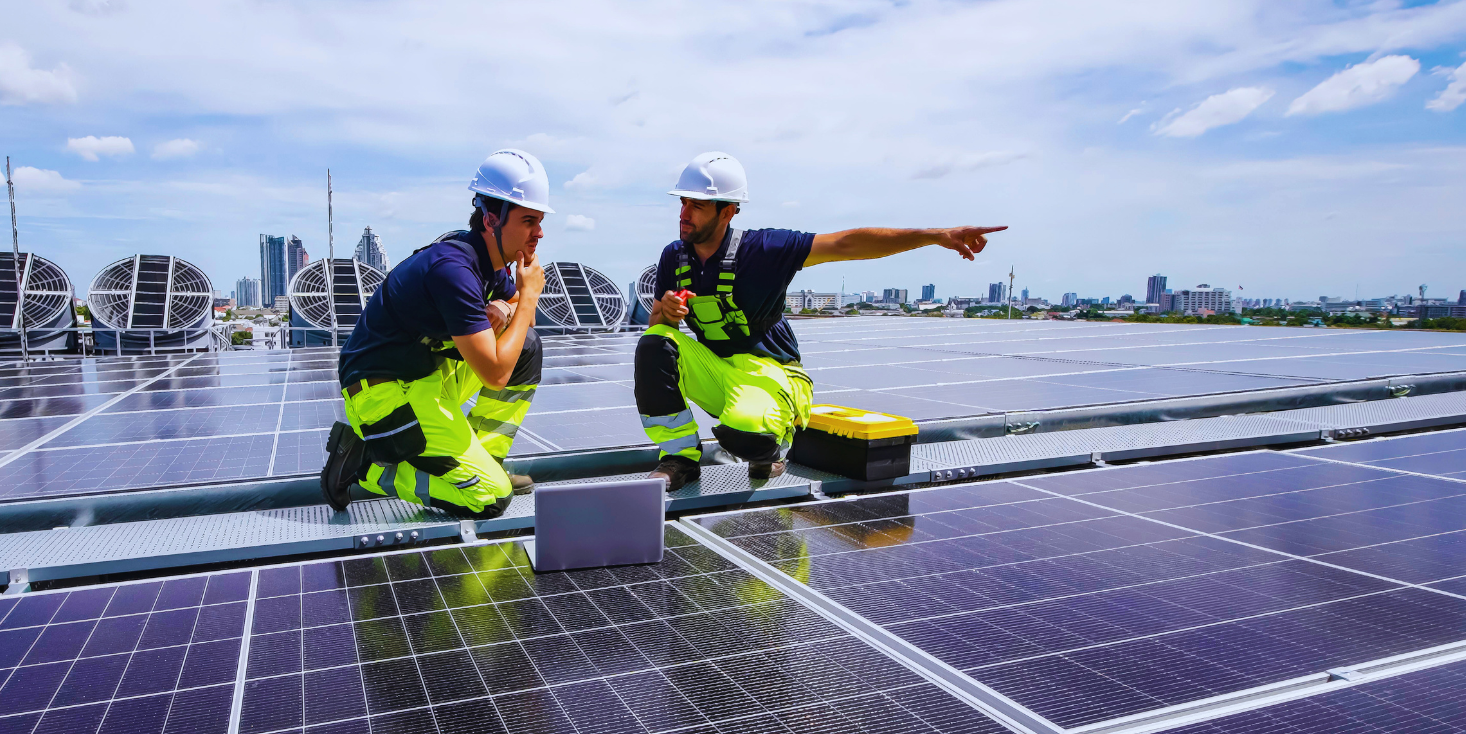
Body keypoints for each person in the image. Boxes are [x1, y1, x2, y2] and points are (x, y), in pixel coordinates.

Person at [638, 151, 1006, 491]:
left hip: (771, 375)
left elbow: (846, 243)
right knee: (653, 342)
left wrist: (934, 236)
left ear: (728, 212)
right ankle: (680, 458)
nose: (684, 214)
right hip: (716, 370)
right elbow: (659, 326)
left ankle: (772, 445)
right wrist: (666, 314)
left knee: (748, 439)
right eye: (683, 202)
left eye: (697, 205)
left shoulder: (764, 250)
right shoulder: (675, 257)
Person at [319, 149, 549, 518]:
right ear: (492, 219)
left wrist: (509, 306)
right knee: (490, 499)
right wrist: (526, 298)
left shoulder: (487, 261)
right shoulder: (453, 270)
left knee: (526, 347)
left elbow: (525, 325)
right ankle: (367, 466)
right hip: (382, 392)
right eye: (528, 221)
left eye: (539, 221)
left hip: (423, 376)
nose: (538, 233)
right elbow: (495, 373)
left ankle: (484, 459)